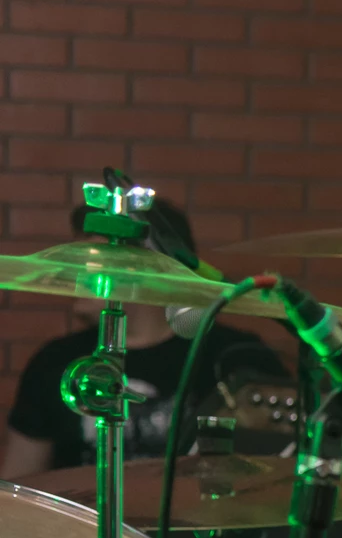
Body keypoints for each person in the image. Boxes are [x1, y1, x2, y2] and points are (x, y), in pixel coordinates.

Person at [2, 200, 284, 478]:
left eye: (92, 261)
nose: (76, 274)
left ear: (145, 267)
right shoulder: (56, 361)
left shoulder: (238, 358)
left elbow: (276, 479)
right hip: (83, 510)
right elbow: (19, 484)